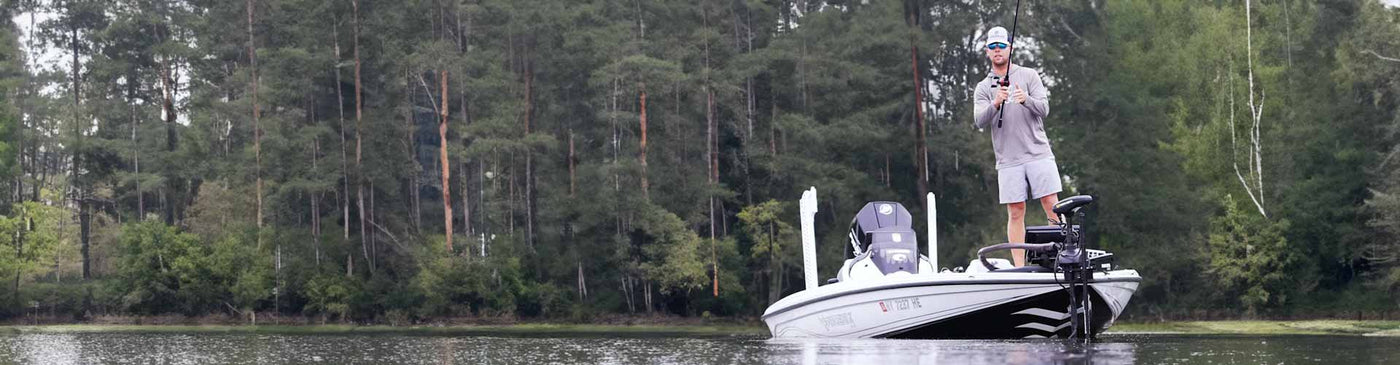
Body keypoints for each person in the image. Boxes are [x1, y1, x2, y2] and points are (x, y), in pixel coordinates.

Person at [972, 26, 1062, 267]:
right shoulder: (983, 87)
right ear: (987, 52)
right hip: (1008, 160)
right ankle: (1020, 267)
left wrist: (1026, 100)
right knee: (1015, 211)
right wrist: (995, 103)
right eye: (992, 46)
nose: (997, 50)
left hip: (1038, 153)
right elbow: (979, 120)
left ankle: (1061, 258)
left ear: (1010, 48)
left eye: (1001, 46)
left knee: (1052, 204)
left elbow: (1044, 109)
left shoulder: (1029, 75)